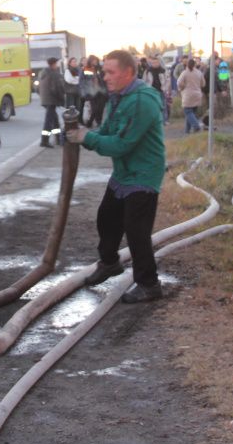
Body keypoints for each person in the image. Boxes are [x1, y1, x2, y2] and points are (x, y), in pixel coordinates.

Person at [65, 50, 166, 304]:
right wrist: (85, 134)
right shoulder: (118, 98)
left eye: (111, 72)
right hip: (124, 172)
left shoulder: (142, 101)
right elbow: (107, 131)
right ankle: (110, 263)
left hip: (143, 174)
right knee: (107, 219)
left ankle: (149, 284)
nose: (106, 77)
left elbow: (122, 144)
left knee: (136, 230)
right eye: (105, 71)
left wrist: (87, 138)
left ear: (129, 72)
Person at [38, 57, 65, 147]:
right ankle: (44, 141)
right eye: (56, 63)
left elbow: (37, 88)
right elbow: (56, 88)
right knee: (48, 122)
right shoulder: (53, 74)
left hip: (45, 100)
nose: (57, 65)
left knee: (54, 119)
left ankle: (58, 139)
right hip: (51, 100)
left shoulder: (43, 73)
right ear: (53, 64)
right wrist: (62, 99)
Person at [177, 58, 204, 134]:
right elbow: (203, 83)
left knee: (188, 112)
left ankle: (196, 126)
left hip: (188, 95)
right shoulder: (199, 73)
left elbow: (179, 83)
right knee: (192, 113)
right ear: (195, 65)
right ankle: (187, 130)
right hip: (197, 94)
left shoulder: (185, 73)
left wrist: (182, 87)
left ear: (187, 65)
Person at [79, 55, 106, 127]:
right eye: (94, 60)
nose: (95, 61)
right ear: (90, 61)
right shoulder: (87, 69)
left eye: (96, 60)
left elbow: (102, 79)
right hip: (92, 92)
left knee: (100, 108)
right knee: (95, 109)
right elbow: (83, 81)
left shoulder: (99, 69)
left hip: (100, 91)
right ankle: (93, 122)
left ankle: (97, 123)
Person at [144, 56, 170, 124]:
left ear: (159, 62)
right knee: (152, 106)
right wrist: (147, 89)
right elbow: (144, 81)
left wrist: (165, 88)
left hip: (161, 90)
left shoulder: (163, 71)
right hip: (151, 91)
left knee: (163, 105)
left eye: (156, 62)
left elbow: (167, 80)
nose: (154, 64)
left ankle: (164, 120)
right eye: (153, 63)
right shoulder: (148, 71)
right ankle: (153, 120)